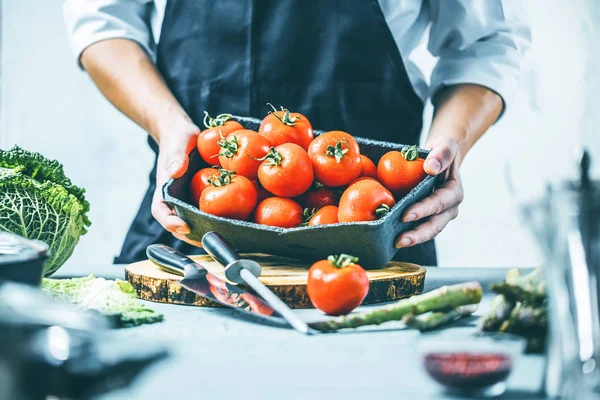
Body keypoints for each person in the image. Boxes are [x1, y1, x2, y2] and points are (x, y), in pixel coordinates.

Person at [63, 0, 530, 266]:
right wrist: (169, 127)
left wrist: (442, 154)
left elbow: (488, 41)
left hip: (375, 229)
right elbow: (103, 21)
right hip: (193, 217)